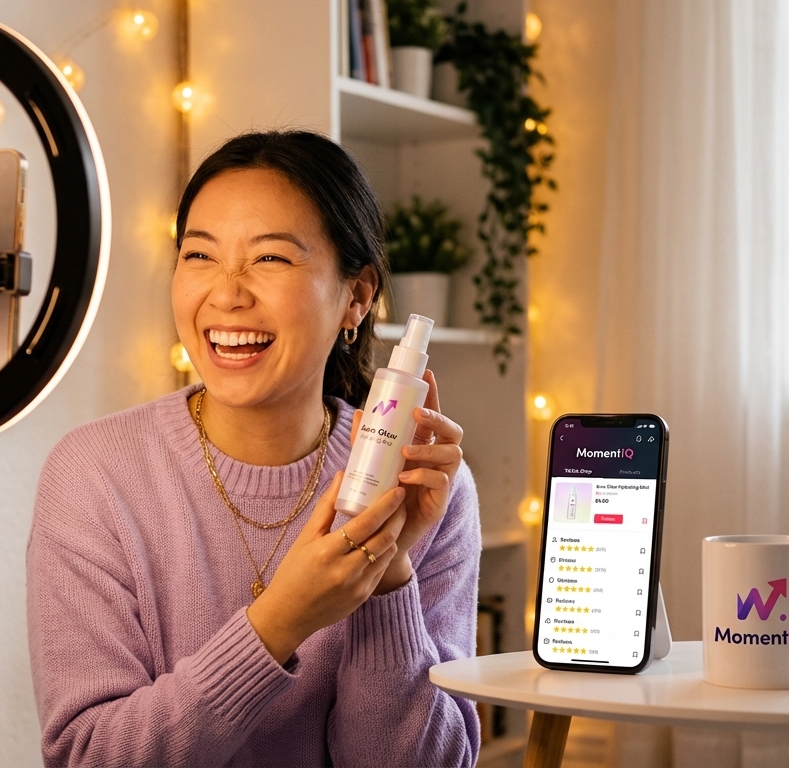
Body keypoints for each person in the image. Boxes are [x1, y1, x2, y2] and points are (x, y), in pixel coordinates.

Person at [27, 130, 481, 767]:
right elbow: (89, 756)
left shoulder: (422, 487)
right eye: (200, 255)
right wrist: (279, 621)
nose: (227, 293)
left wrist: (387, 576)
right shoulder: (94, 476)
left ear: (356, 297)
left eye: (270, 258)